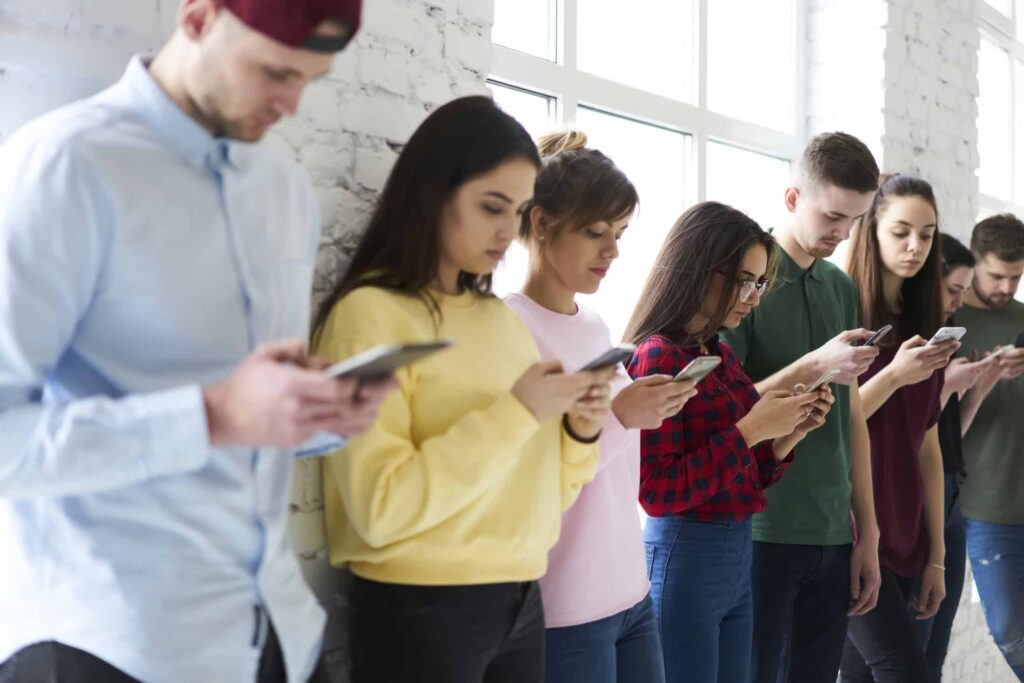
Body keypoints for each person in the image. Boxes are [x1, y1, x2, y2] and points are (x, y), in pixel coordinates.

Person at [0, 2, 393, 682]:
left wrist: (316, 414)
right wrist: (212, 413)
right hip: (113, 639)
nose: (292, 104)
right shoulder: (64, 165)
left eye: (311, 79)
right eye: (275, 72)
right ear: (199, 16)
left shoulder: (286, 192)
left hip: (276, 629)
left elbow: (256, 411)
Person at [312, 97, 614, 683]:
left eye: (520, 211)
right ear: (432, 191)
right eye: (491, 207)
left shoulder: (499, 320)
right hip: (420, 605)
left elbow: (542, 493)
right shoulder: (369, 314)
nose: (509, 231)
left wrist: (578, 430)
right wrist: (519, 410)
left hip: (522, 597)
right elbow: (381, 511)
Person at [505, 130, 697, 683]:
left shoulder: (595, 326)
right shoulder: (509, 326)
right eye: (596, 233)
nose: (612, 251)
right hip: (565, 603)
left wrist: (648, 406)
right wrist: (620, 415)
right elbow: (525, 471)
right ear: (540, 223)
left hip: (630, 590)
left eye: (620, 233)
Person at [625, 201, 834, 683]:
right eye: (744, 280)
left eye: (760, 283)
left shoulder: (715, 352)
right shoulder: (656, 356)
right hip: (686, 552)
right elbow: (656, 492)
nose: (753, 297)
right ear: (699, 269)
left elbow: (746, 473)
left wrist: (788, 434)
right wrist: (753, 430)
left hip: (735, 551)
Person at [719, 131, 883, 683]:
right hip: (763, 528)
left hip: (833, 533)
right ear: (792, 199)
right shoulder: (745, 282)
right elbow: (726, 411)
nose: (842, 233)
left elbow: (851, 416)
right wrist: (815, 365)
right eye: (833, 216)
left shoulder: (838, 285)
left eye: (854, 220)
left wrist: (868, 532)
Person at [839, 175, 960, 683]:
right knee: (904, 670)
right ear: (871, 231)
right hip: (849, 531)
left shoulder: (921, 326)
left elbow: (928, 448)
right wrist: (892, 375)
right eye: (901, 232)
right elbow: (828, 423)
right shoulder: (841, 312)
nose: (915, 247)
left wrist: (938, 556)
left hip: (908, 531)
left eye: (927, 235)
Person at [914, 234, 1002, 681]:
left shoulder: (936, 349)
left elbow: (949, 445)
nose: (959, 301)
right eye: (953, 289)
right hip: (919, 505)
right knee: (911, 650)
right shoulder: (911, 352)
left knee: (934, 650)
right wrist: (945, 383)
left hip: (950, 498)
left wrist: (979, 383)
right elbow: (905, 443)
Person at [956, 213, 1024, 680]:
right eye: (996, 274)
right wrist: (981, 377)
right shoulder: (951, 321)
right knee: (1009, 629)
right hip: (984, 505)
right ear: (976, 262)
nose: (1006, 286)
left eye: (1016, 276)